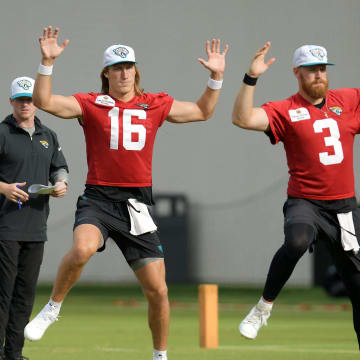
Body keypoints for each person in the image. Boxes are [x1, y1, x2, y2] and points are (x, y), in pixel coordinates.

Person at [24, 26, 228, 360]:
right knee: (82, 250)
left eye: (128, 66)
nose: (124, 72)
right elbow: (44, 101)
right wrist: (47, 62)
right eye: (117, 67)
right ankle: (51, 308)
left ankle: (160, 355)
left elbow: (202, 111)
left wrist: (216, 77)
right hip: (99, 199)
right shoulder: (92, 104)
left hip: (136, 206)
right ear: (106, 73)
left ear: (136, 70)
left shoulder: (155, 103)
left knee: (158, 291)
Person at [232, 42, 360, 349]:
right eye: (311, 70)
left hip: (344, 208)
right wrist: (251, 77)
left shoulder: (349, 99)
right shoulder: (285, 109)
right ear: (297, 73)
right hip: (306, 202)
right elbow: (243, 118)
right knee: (297, 241)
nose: (318, 75)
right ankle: (263, 308)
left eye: (322, 69)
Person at [0, 76, 69, 360]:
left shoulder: (48, 135)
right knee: (2, 294)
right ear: (12, 102)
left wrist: (61, 183)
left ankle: (14, 354)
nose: (26, 104)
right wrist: (3, 188)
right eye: (20, 99)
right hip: (5, 228)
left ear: (37, 102)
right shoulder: (2, 133)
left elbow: (59, 167)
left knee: (25, 295)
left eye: (30, 99)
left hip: (36, 228)